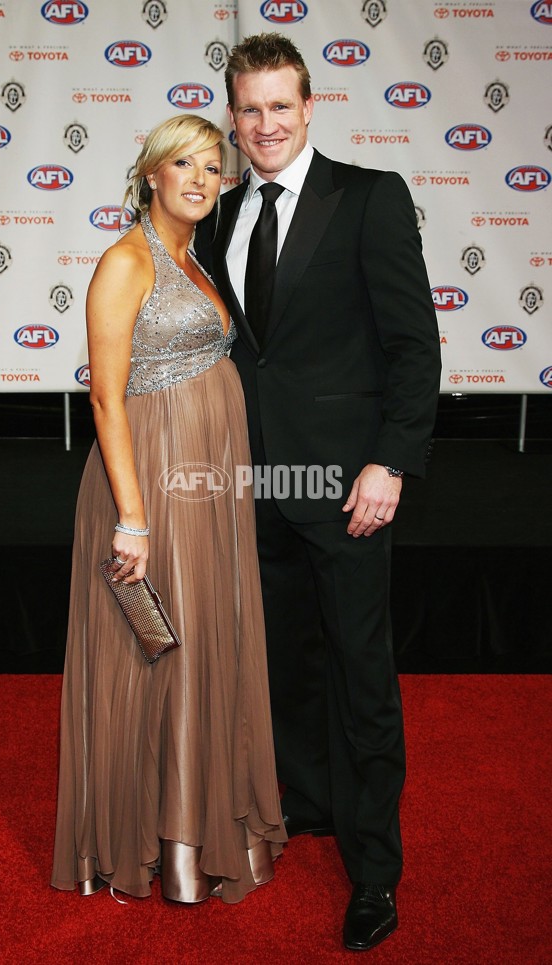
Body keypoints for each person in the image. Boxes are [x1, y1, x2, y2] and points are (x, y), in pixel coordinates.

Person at [194, 34, 441, 950]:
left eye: (279, 106)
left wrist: (391, 462)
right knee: (285, 664)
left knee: (362, 674)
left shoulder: (370, 197)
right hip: (255, 484)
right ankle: (309, 802)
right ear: (233, 117)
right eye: (249, 109)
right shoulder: (219, 215)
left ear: (309, 107)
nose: (265, 124)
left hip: (348, 488)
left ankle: (375, 869)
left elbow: (414, 345)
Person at [51, 114, 286, 905]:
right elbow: (105, 398)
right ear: (151, 173)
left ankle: (201, 821)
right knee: (161, 652)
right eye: (183, 163)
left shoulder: (194, 256)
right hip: (150, 483)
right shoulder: (126, 261)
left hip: (207, 482)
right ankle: (163, 840)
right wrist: (133, 518)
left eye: (213, 167)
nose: (200, 179)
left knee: (208, 635)